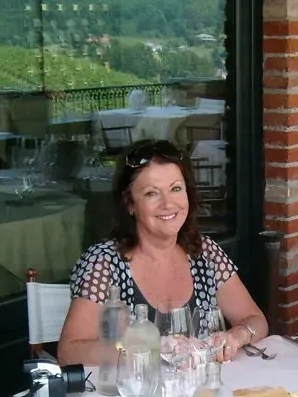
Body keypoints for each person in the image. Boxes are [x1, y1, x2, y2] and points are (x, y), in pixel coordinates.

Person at [59, 139, 267, 363]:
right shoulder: (103, 262)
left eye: (176, 189)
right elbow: (69, 352)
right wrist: (148, 351)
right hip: (134, 396)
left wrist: (238, 335)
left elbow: (255, 320)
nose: (168, 204)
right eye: (151, 193)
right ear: (129, 204)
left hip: (200, 393)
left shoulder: (205, 253)